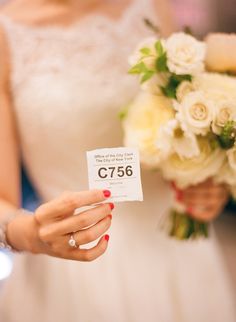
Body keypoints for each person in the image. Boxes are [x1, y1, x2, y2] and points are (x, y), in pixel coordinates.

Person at [0, 0, 235, 321]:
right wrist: (29, 232)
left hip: (174, 251)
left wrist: (205, 182)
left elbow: (181, 122)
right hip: (73, 263)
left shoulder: (152, 8)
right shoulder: (5, 33)